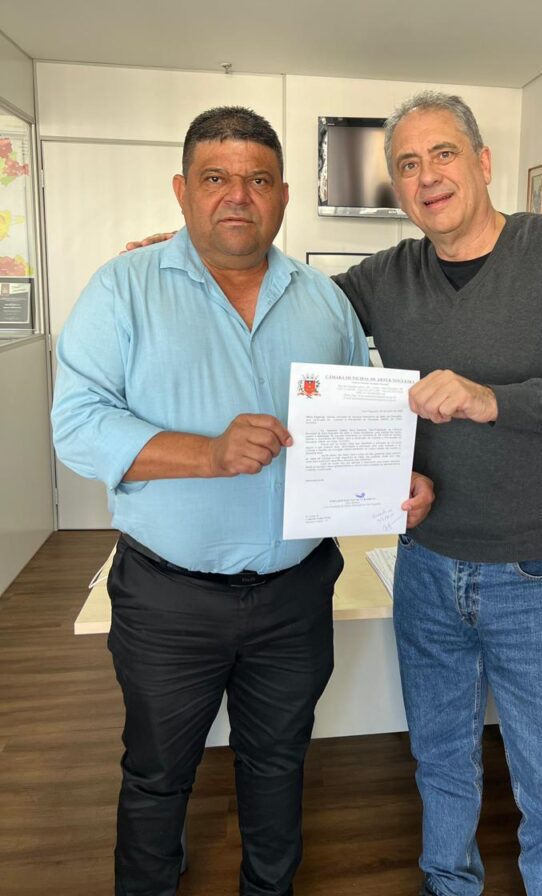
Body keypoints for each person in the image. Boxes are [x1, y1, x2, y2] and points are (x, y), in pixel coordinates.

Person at [129, 92, 542, 896]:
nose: (426, 176)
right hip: (427, 565)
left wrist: (492, 399)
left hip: (539, 575)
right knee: (439, 764)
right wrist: (184, 265)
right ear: (397, 188)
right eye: (407, 164)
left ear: (483, 162)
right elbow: (283, 294)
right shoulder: (386, 276)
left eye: (443, 154)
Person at [52, 106, 433, 896]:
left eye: (258, 180)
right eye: (216, 178)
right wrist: (208, 453)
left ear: (283, 196)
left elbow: (355, 422)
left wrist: (397, 479)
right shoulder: (122, 289)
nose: (238, 195)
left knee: (278, 764)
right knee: (157, 774)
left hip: (295, 598)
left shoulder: (325, 302)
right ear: (182, 191)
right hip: (168, 601)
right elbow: (77, 427)